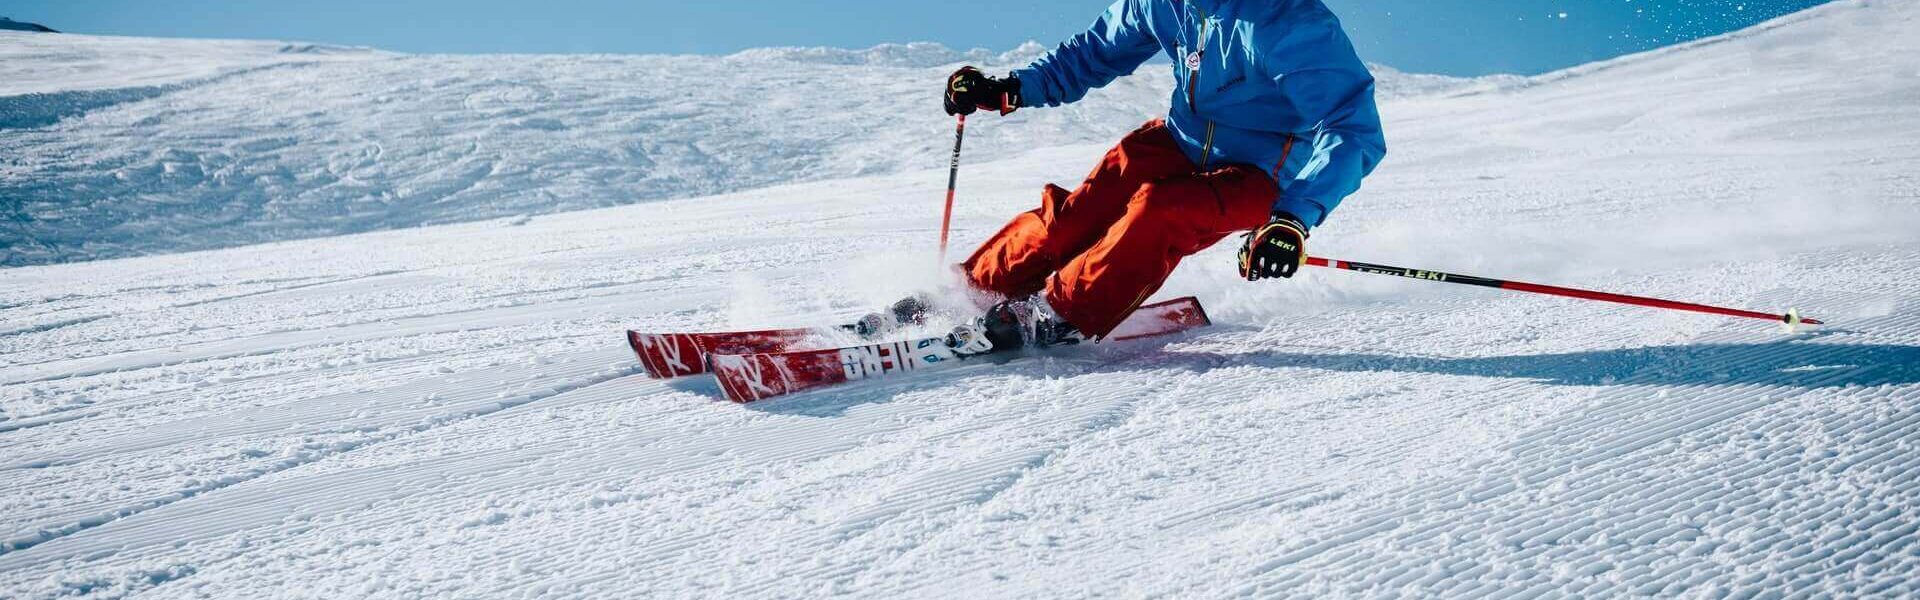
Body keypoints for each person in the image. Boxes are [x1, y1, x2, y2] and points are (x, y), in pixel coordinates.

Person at [940, 0, 1387, 355]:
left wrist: (1292, 218)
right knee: (1078, 215)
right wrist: (1010, 89)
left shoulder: (1286, 20)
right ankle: (968, 290)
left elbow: (1352, 129)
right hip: (1179, 139)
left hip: (1262, 173)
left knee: (1161, 209)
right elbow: (1093, 53)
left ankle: (1058, 314)